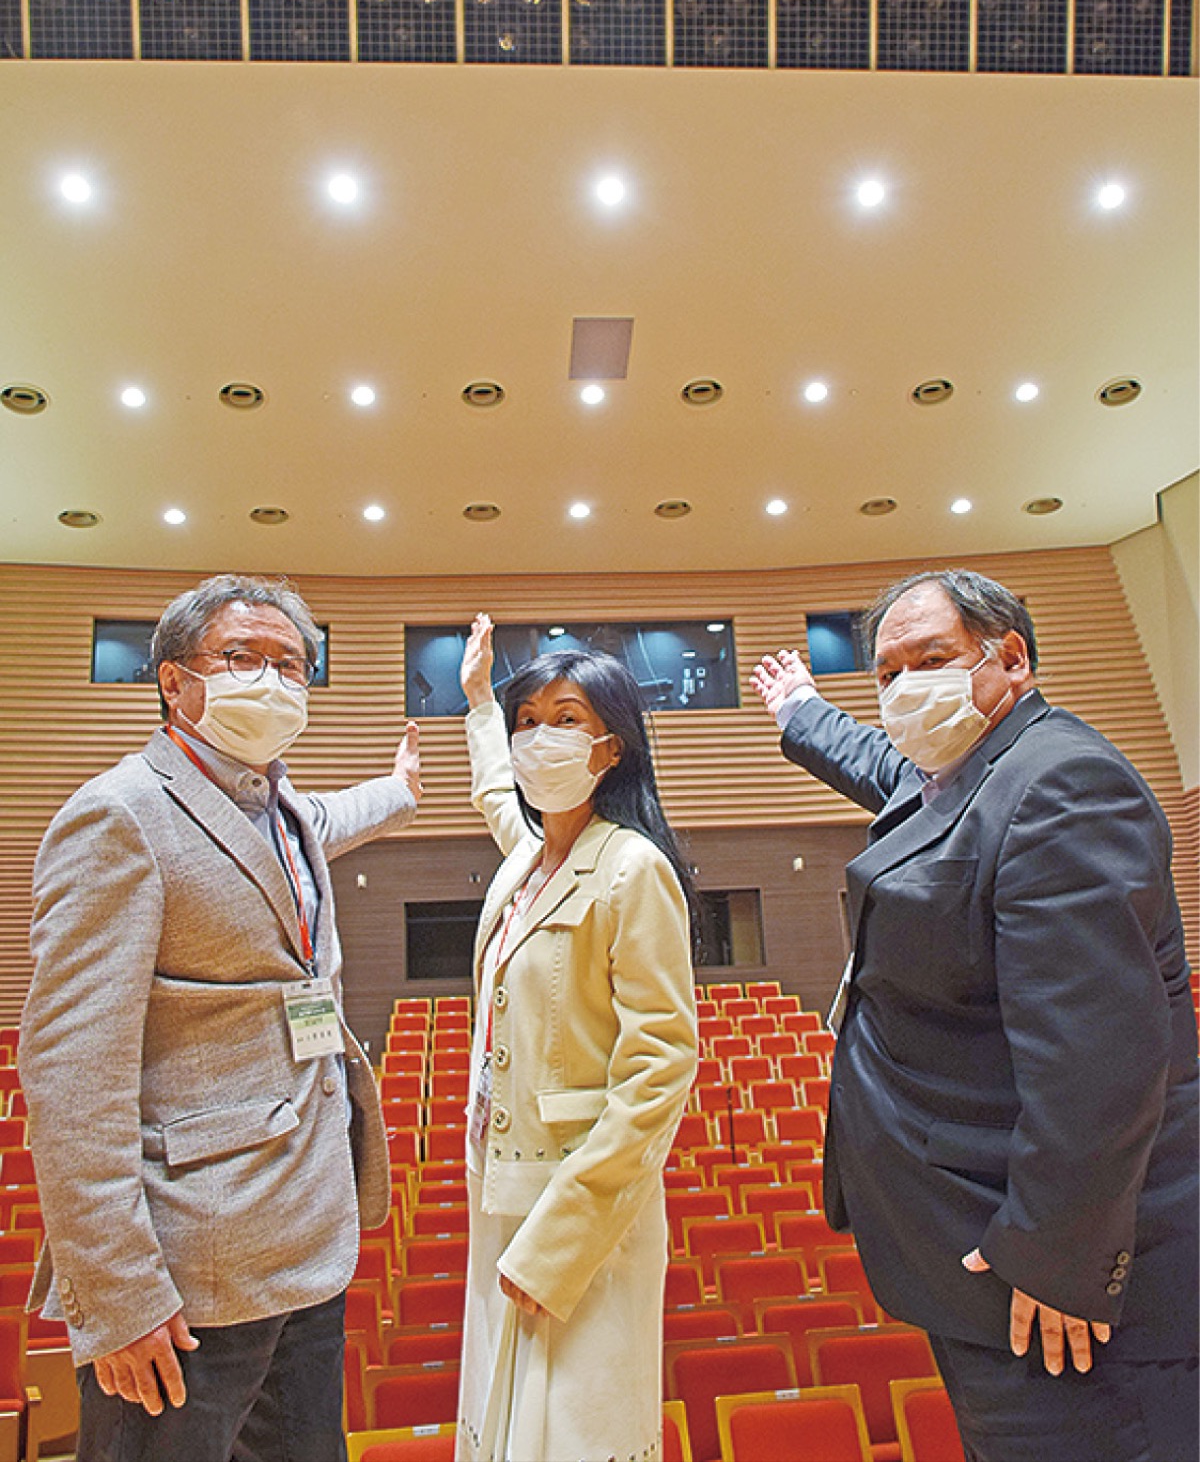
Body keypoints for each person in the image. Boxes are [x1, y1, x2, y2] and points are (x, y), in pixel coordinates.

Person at [751, 569, 1199, 1462]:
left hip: (1060, 1298)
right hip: (983, 1261)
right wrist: (801, 710)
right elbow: (884, 767)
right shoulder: (970, 774)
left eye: (932, 660)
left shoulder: (1062, 783)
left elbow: (1098, 1062)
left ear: (1012, 659)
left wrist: (1056, 1258)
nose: (904, 688)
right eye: (887, 674)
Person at [20, 573, 423, 1462]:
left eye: (292, 664)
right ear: (175, 680)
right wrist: (120, 1297)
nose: (273, 680)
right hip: (186, 1274)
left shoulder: (281, 807)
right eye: (244, 657)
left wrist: (399, 789)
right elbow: (72, 1077)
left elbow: (337, 816)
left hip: (307, 1247)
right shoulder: (119, 815)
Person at [455, 614, 697, 1462]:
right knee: (502, 1431)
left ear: (611, 747)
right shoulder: (525, 862)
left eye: (566, 720)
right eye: (528, 722)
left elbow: (660, 1071)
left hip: (579, 1213)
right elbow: (497, 794)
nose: (538, 739)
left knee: (572, 1435)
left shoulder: (632, 868)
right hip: (500, 1193)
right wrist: (480, 704)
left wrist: (562, 1242)